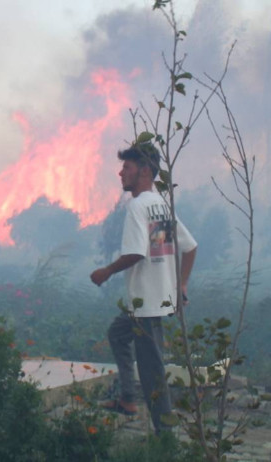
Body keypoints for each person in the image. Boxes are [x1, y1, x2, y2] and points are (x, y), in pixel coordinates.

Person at [90, 144, 197, 434]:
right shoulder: (160, 204)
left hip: (148, 304)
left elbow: (137, 253)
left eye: (127, 167)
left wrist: (106, 271)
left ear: (145, 171)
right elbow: (190, 248)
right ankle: (128, 399)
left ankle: (166, 437)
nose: (121, 172)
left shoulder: (138, 206)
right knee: (117, 333)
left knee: (152, 373)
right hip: (152, 299)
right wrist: (180, 284)